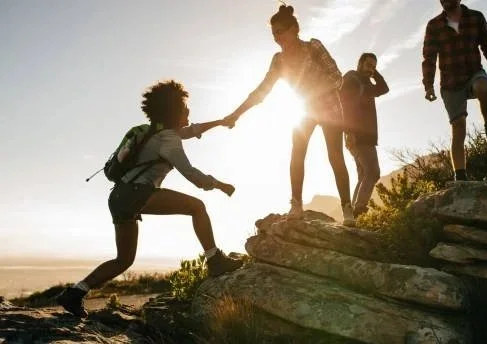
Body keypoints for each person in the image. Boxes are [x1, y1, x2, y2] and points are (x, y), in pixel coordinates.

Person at [57, 80, 243, 317]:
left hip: (119, 197)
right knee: (197, 207)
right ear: (174, 112)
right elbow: (192, 174)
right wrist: (219, 184)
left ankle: (75, 293)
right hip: (137, 194)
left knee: (123, 260)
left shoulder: (155, 132)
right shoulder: (169, 141)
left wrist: (219, 122)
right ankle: (214, 259)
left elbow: (190, 131)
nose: (189, 113)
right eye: (185, 109)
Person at [224, 5, 355, 226]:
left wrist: (315, 92)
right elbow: (262, 90)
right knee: (297, 153)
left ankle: (347, 208)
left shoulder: (313, 47)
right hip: (303, 110)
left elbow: (337, 77)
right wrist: (237, 113)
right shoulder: (279, 60)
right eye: (274, 33)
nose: (277, 37)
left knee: (335, 155)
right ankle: (296, 204)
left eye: (281, 31)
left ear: (294, 29)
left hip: (329, 107)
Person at [422, 0, 487, 181]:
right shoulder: (434, 25)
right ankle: (460, 176)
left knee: (482, 87)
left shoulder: (475, 18)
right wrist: (428, 85)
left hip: (473, 72)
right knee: (458, 127)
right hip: (450, 82)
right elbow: (429, 58)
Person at [341, 53, 389, 218]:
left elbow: (384, 88)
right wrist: (349, 132)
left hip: (366, 135)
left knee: (363, 175)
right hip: (357, 134)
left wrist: (374, 73)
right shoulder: (352, 78)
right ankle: (359, 209)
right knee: (373, 172)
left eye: (374, 66)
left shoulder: (367, 84)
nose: (371, 69)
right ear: (360, 63)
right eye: (369, 65)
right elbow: (345, 106)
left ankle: (353, 215)